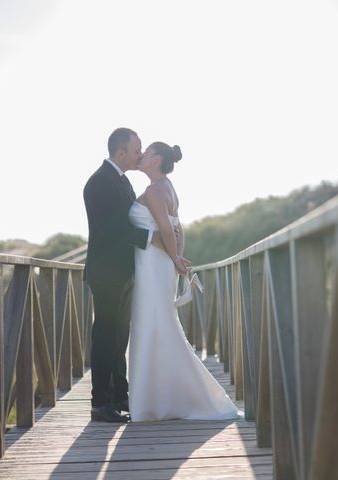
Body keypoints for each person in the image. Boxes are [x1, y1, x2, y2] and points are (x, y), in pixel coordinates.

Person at [128, 141, 240, 421]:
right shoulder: (167, 186)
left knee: (152, 322)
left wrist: (177, 260)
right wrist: (177, 257)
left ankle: (158, 400)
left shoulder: (154, 191)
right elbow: (179, 228)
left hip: (153, 264)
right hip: (160, 264)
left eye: (147, 151)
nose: (141, 155)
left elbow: (167, 229)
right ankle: (160, 397)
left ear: (156, 159)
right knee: (158, 323)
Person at [83, 127, 155, 423]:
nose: (140, 154)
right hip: (107, 271)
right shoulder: (99, 182)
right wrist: (154, 237)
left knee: (119, 336)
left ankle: (119, 395)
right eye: (137, 149)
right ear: (120, 151)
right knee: (105, 335)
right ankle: (100, 403)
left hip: (124, 270)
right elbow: (114, 228)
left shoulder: (122, 182)